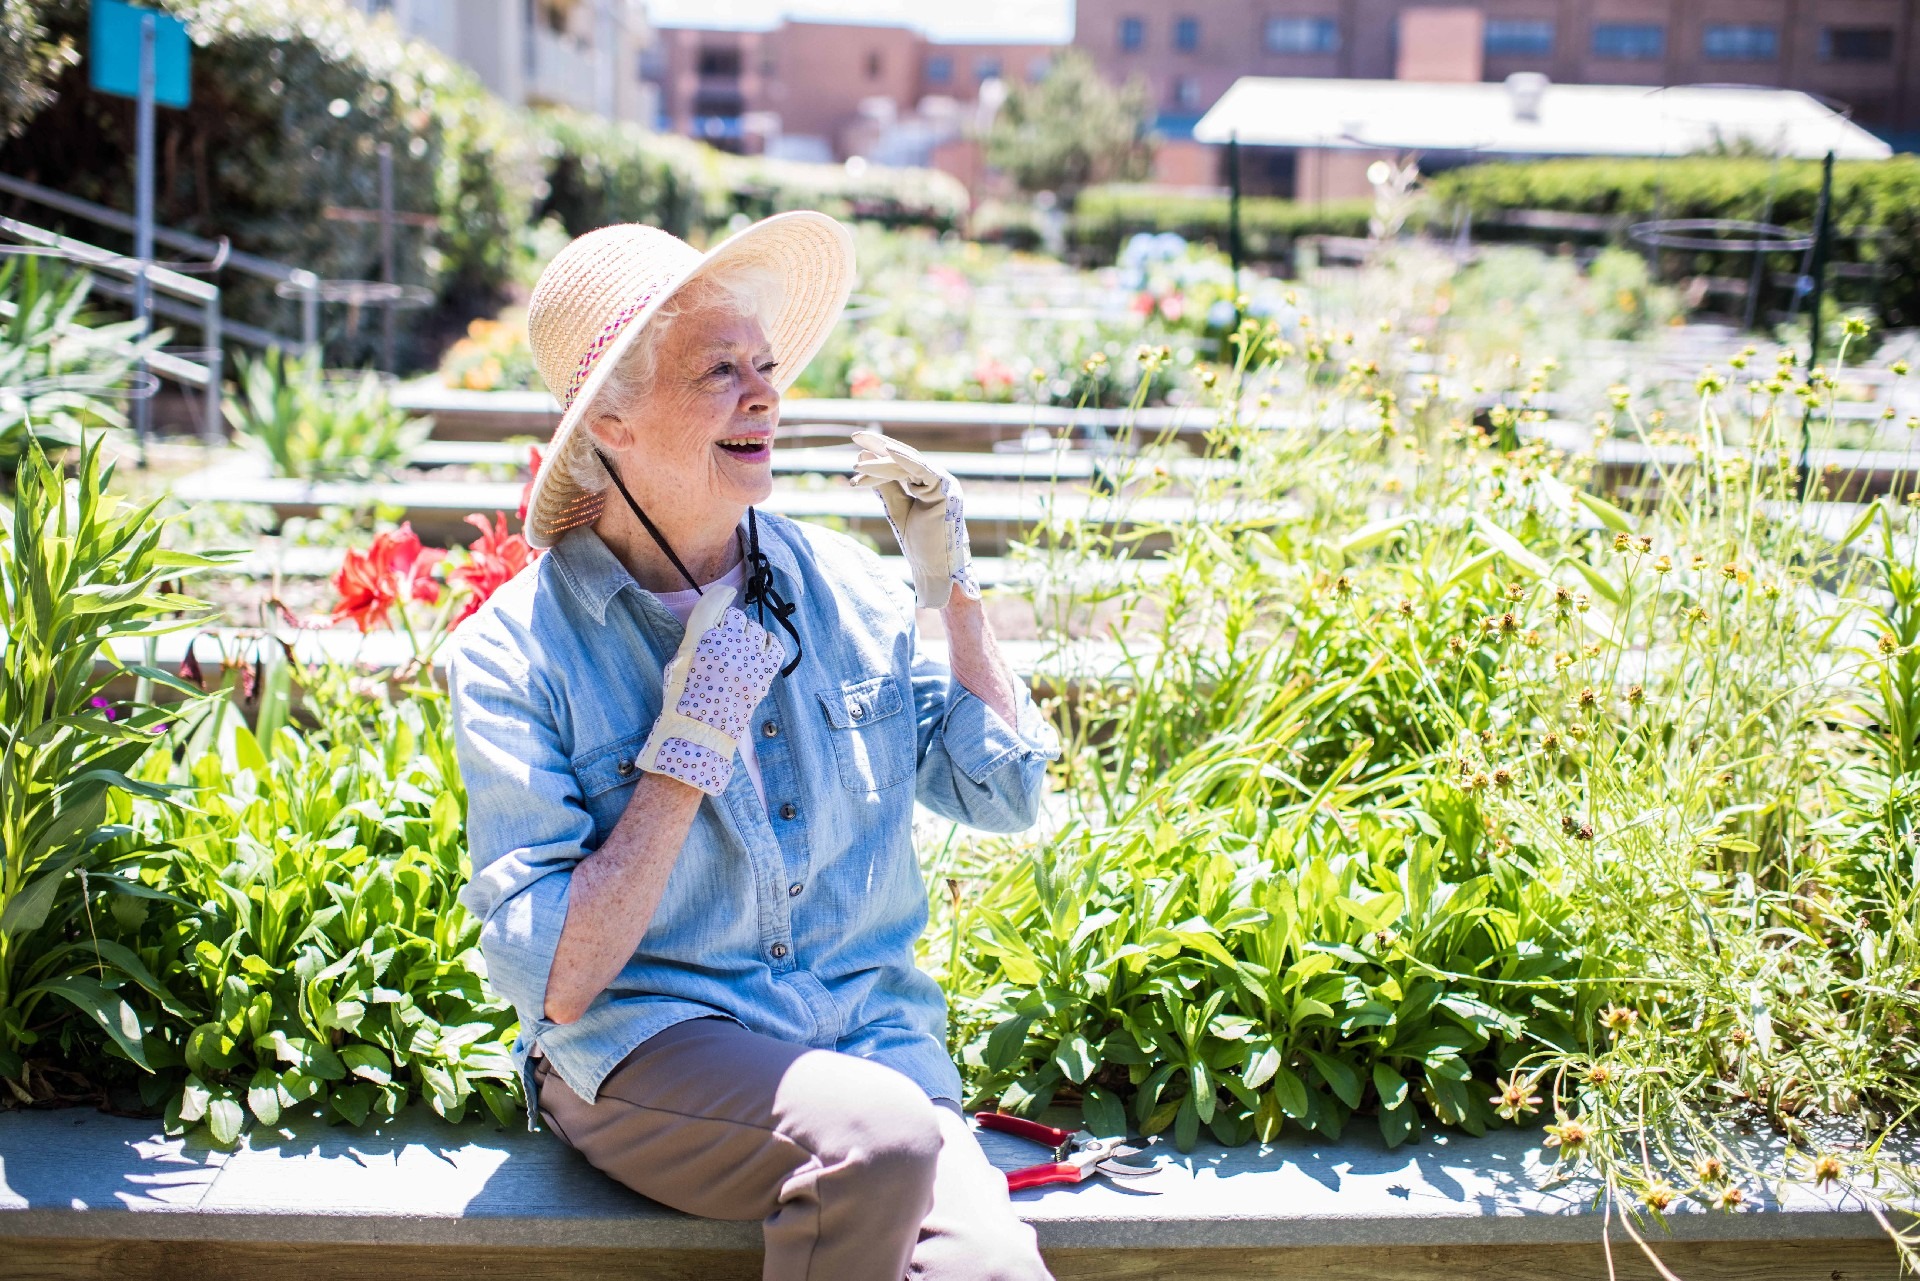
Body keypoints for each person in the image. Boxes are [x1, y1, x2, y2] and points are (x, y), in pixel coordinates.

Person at [449, 212, 1060, 1281]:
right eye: (718, 369)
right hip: (650, 1049)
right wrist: (686, 747)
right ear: (614, 424)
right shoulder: (515, 654)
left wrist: (952, 588)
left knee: (992, 1270)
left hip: (871, 1044)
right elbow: (558, 983)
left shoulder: (848, 591)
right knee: (875, 1138)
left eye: (767, 366)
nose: (766, 394)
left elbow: (1002, 794)